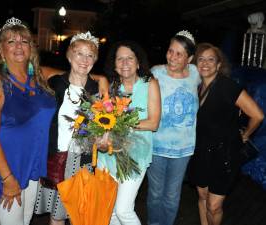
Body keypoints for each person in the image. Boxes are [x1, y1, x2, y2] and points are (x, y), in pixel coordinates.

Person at [0, 17, 56, 225]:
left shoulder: (41, 77)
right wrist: (7, 178)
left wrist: (102, 80)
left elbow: (77, 75)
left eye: (24, 40)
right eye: (11, 41)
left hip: (32, 165)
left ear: (31, 47)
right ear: (1, 51)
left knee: (26, 220)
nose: (18, 46)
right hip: (6, 167)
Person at [34, 31, 109, 225]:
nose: (84, 60)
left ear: (95, 60)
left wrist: (103, 141)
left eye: (90, 55)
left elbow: (105, 129)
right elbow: (27, 68)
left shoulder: (99, 92)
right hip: (57, 158)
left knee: (81, 217)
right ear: (69, 56)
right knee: (57, 217)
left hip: (83, 162)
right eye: (79, 53)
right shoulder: (54, 84)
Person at [188, 43, 264, 225]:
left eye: (211, 59)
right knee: (202, 197)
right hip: (200, 152)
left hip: (225, 155)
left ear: (219, 64)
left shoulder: (227, 86)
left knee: (214, 206)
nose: (205, 63)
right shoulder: (196, 88)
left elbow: (257, 115)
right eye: (201, 59)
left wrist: (245, 135)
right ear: (195, 63)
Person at [97, 40, 161, 224]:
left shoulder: (150, 84)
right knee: (110, 212)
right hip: (108, 156)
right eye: (120, 59)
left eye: (130, 58)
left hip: (136, 155)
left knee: (123, 210)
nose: (125, 63)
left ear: (138, 62)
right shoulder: (110, 87)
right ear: (114, 65)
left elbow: (153, 123)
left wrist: (122, 123)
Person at [147, 30, 200, 225]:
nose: (173, 57)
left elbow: (215, 82)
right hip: (156, 146)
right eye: (171, 51)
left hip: (184, 149)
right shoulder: (155, 73)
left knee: (171, 196)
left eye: (179, 54)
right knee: (155, 194)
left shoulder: (195, 73)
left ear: (190, 58)